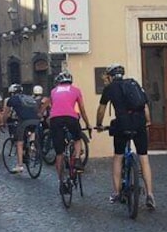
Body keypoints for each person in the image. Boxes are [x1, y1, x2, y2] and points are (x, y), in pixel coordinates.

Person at [95, 65, 155, 209]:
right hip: (139, 123)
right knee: (144, 158)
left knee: (118, 156)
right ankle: (150, 195)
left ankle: (116, 192)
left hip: (122, 124)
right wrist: (147, 121)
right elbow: (145, 106)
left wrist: (99, 124)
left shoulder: (110, 89)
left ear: (110, 76)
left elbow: (101, 109)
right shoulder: (133, 84)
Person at [49, 72, 92, 191]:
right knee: (77, 139)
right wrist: (88, 124)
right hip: (71, 118)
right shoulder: (76, 90)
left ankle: (61, 181)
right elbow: (82, 109)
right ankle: (77, 159)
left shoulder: (53, 91)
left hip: (55, 119)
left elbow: (54, 106)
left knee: (59, 153)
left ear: (59, 82)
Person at [3, 84, 41, 173]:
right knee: (31, 132)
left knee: (19, 142)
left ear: (11, 92)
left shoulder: (11, 99)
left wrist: (2, 123)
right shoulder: (29, 98)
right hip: (36, 120)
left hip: (24, 121)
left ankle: (19, 165)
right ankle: (32, 145)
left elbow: (6, 114)